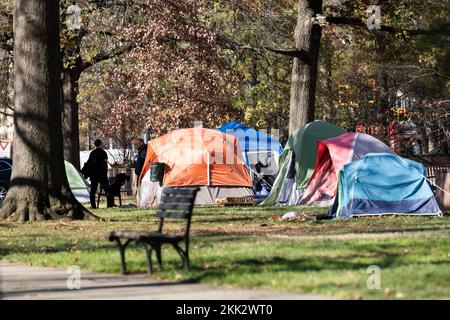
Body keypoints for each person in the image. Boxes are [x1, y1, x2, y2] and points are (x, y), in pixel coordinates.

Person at [87, 139, 114, 208]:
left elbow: (89, 163)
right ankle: (110, 205)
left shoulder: (92, 153)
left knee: (93, 190)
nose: (103, 144)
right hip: (102, 174)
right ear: (100, 144)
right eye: (102, 143)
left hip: (93, 174)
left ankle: (93, 205)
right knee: (107, 189)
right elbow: (105, 162)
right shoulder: (103, 152)